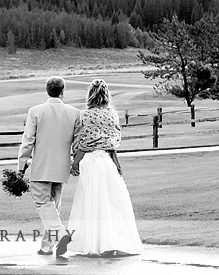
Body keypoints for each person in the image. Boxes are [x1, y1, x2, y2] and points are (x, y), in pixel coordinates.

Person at [67, 79, 143, 256]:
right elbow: (111, 146)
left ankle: (93, 244)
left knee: (90, 203)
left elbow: (83, 144)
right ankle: (114, 241)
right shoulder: (113, 114)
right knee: (113, 203)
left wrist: (75, 163)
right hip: (107, 163)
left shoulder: (84, 115)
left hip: (91, 162)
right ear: (106, 94)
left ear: (90, 94)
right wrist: (117, 166)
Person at [16, 76, 82, 257]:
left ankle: (61, 235)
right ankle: (47, 247)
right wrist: (75, 164)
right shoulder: (75, 113)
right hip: (61, 168)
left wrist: (21, 167)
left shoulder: (35, 111)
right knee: (53, 207)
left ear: (47, 91)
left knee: (44, 204)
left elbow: (28, 142)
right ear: (63, 91)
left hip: (41, 167)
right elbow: (77, 145)